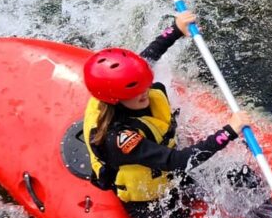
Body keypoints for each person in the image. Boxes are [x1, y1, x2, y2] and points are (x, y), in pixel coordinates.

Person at [79, 12, 251, 207]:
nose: (144, 93)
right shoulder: (120, 139)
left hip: (165, 169)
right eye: (136, 92)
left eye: (144, 86)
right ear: (116, 100)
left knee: (242, 177)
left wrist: (176, 29)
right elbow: (177, 161)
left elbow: (149, 56)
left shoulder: (127, 87)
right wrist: (228, 132)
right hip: (148, 200)